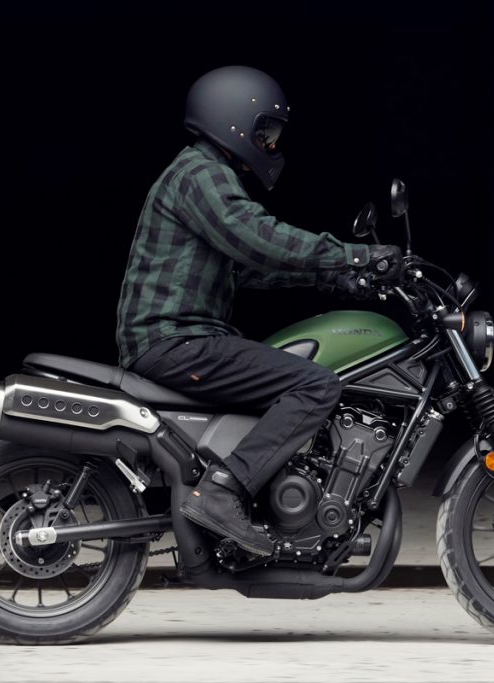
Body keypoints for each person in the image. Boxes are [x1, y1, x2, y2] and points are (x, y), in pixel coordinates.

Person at [115, 65, 402, 556]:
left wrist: (336, 278)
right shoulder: (201, 174)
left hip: (181, 340)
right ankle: (222, 491)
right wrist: (355, 255)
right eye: (264, 131)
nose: (270, 144)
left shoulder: (198, 173)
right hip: (178, 342)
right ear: (231, 120)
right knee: (316, 385)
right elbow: (257, 238)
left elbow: (246, 269)